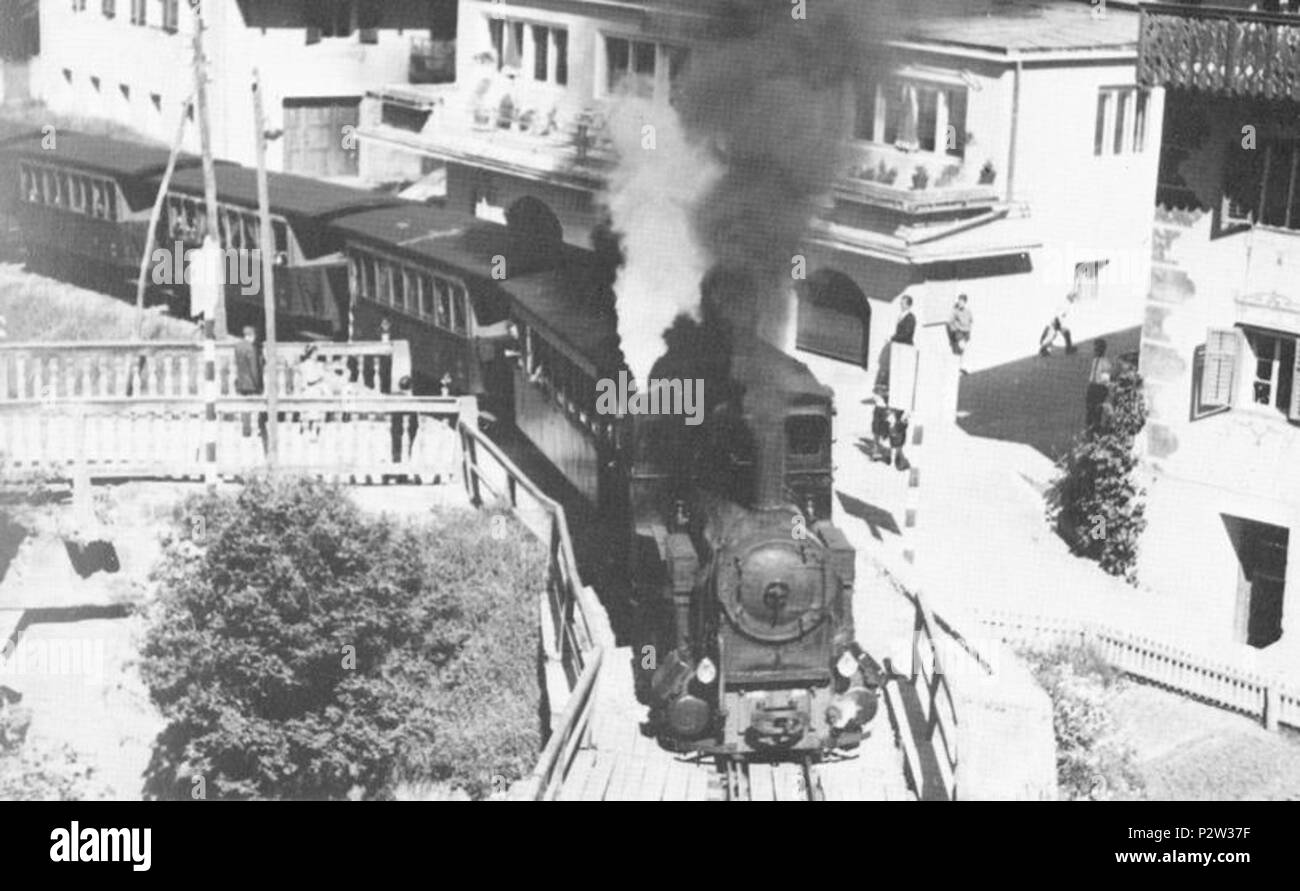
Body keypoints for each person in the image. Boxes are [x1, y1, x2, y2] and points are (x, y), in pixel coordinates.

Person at [1085, 338, 1113, 430]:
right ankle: (1089, 426)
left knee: (1097, 410)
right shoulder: (1095, 360)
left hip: (1099, 388)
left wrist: (1104, 392)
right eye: (1095, 349)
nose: (1095, 351)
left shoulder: (1106, 363)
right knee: (1089, 409)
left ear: (1102, 350)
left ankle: (1095, 428)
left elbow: (1105, 380)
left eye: (1097, 349)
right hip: (1092, 387)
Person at [1039, 291, 1077, 357]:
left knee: (1065, 333)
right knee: (1051, 337)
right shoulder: (1065, 304)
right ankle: (1042, 349)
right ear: (1070, 297)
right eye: (1073, 297)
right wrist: (1058, 324)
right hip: (1055, 322)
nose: (1074, 299)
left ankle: (1069, 349)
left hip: (1057, 322)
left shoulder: (1066, 303)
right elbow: (1059, 315)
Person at [947, 294, 973, 373]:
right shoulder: (955, 311)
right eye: (959, 301)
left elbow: (971, 321)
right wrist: (955, 329)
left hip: (966, 332)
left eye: (961, 301)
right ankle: (962, 366)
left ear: (965, 302)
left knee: (962, 350)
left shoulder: (968, 311)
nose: (960, 303)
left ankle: (960, 365)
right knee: (962, 347)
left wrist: (969, 330)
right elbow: (950, 322)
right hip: (959, 332)